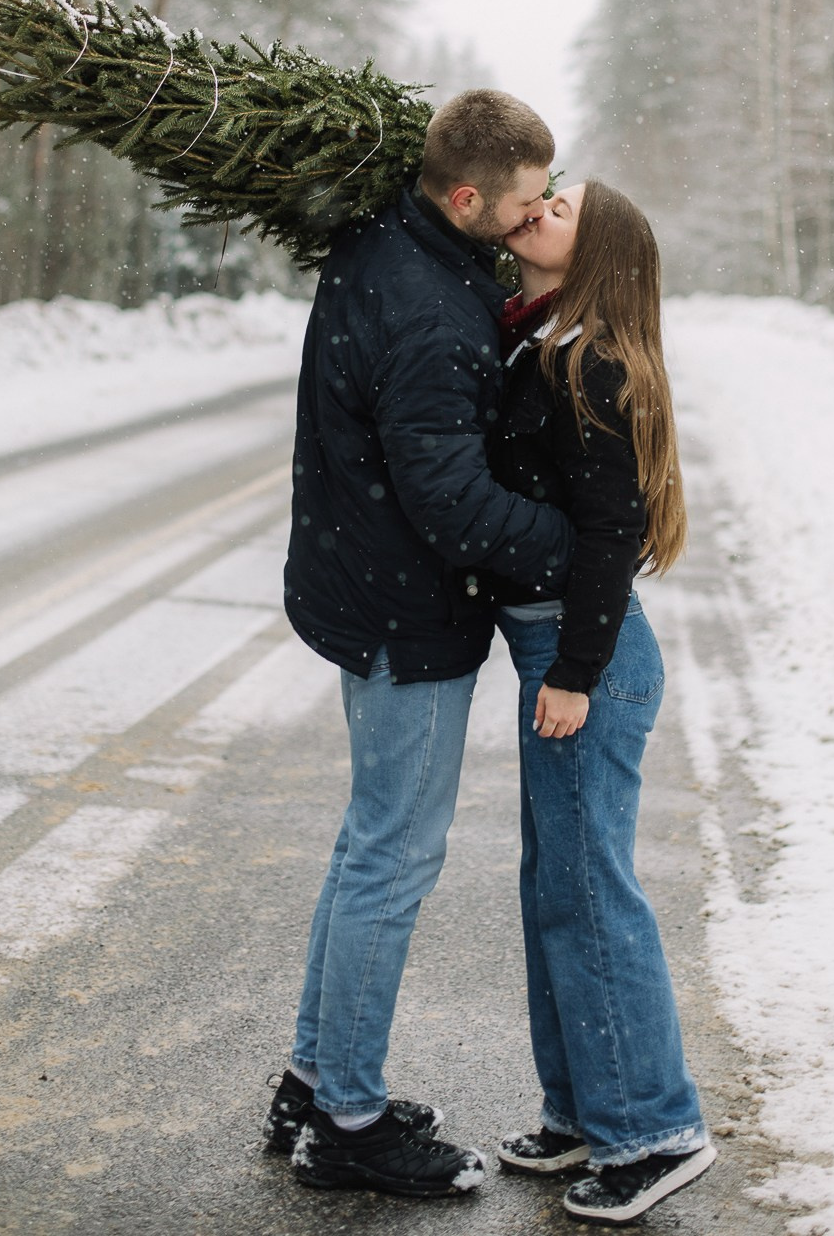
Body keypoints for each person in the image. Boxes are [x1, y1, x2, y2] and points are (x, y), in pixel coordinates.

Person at [263, 90, 575, 1200]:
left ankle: (315, 1081)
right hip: (406, 609)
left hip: (363, 583)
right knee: (394, 859)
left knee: (369, 847)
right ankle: (349, 1124)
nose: (538, 213)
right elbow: (450, 502)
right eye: (526, 199)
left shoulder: (389, 238)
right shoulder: (434, 312)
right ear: (467, 196)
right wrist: (577, 543)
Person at [487, 178, 716, 1226]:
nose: (539, 208)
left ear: (597, 253)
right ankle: (583, 1110)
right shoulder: (540, 338)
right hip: (561, 649)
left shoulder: (593, 362)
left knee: (589, 893)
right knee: (557, 889)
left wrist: (576, 674)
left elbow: (611, 531)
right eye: (543, 196)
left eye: (562, 207)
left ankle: (656, 1129)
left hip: (588, 658)